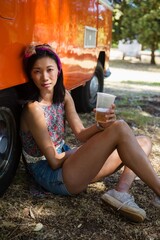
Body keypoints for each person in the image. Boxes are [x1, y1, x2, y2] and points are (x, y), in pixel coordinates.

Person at [20, 43, 160, 223]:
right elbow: (54, 161)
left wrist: (100, 126)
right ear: (31, 75)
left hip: (71, 165)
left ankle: (120, 192)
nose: (45, 77)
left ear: (59, 70)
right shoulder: (33, 109)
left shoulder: (64, 96)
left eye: (49, 69)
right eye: (37, 71)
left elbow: (80, 134)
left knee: (144, 142)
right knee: (120, 127)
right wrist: (79, 151)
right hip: (53, 174)